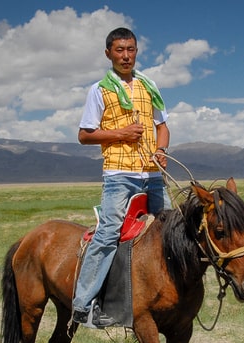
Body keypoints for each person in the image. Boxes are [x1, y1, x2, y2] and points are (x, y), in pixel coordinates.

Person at [72, 27, 171, 327]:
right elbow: (84, 135)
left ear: (137, 51)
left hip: (152, 173)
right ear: (108, 54)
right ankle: (83, 304)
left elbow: (162, 126)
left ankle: (167, 295)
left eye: (130, 49)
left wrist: (162, 148)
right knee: (109, 234)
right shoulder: (99, 90)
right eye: (119, 50)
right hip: (119, 174)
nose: (126, 56)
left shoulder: (149, 85)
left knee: (171, 230)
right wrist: (121, 133)